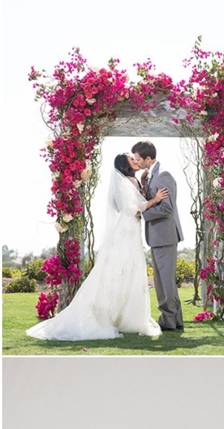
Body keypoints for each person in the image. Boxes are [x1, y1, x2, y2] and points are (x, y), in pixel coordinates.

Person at [27, 154, 167, 341]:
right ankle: (112, 315)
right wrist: (156, 200)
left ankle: (120, 315)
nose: (136, 160)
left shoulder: (130, 180)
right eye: (132, 160)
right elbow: (133, 209)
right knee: (121, 271)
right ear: (125, 165)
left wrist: (142, 184)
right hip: (127, 232)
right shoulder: (127, 181)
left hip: (129, 231)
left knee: (125, 272)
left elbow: (131, 203)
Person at [130, 141, 184, 332]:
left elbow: (167, 208)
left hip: (165, 235)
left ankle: (168, 321)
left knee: (165, 281)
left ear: (148, 159)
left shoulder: (163, 175)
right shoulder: (151, 176)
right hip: (158, 236)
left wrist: (143, 213)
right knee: (163, 280)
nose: (136, 162)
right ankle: (175, 320)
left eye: (138, 159)